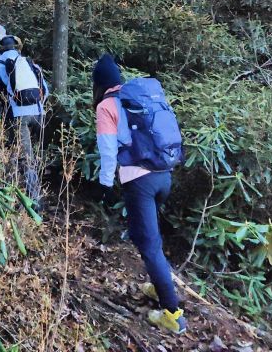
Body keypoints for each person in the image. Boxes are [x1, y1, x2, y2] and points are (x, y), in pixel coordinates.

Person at [93, 53, 187, 335]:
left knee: (149, 245)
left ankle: (173, 315)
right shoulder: (138, 99)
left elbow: (108, 151)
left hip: (139, 181)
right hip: (164, 176)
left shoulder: (107, 106)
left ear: (99, 83)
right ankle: (160, 287)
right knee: (150, 238)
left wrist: (105, 185)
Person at [0, 35, 49, 210]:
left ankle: (34, 202)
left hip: (20, 115)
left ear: (1, 49)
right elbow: (46, 91)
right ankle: (11, 189)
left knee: (25, 157)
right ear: (17, 48)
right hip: (39, 113)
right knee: (19, 152)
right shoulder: (30, 63)